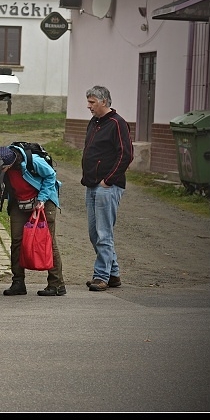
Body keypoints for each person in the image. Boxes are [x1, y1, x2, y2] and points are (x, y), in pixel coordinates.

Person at [81, 85, 133, 292]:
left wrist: (108, 180)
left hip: (107, 187)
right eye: (88, 102)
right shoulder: (94, 123)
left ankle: (101, 276)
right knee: (94, 233)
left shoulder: (117, 124)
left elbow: (126, 155)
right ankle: (113, 274)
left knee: (104, 234)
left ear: (104, 102)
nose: (89, 106)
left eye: (92, 102)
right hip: (91, 185)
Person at [0, 145, 65, 297]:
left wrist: (42, 198)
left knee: (48, 241)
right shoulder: (1, 163)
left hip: (44, 201)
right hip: (20, 202)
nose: (1, 171)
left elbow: (50, 176)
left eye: (3, 168)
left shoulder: (33, 161)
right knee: (17, 241)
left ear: (11, 163)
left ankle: (57, 284)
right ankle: (18, 283)